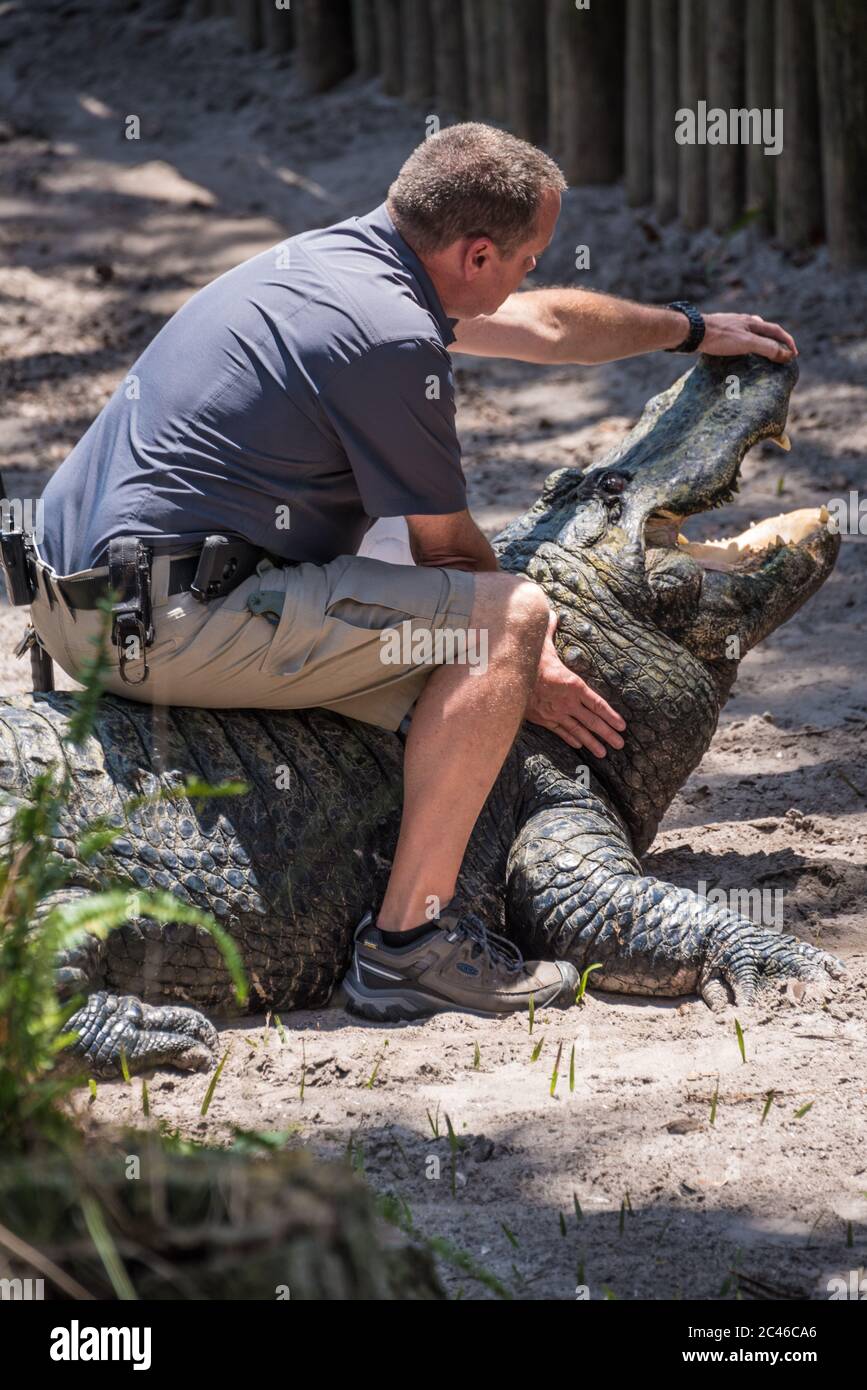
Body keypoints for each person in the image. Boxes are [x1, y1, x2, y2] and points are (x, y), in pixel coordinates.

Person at [30, 123, 798, 1022]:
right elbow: (450, 556)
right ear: (475, 253)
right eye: (527, 257)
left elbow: (545, 324)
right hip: (162, 628)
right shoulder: (392, 341)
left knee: (401, 592)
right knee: (504, 617)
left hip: (70, 602)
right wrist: (531, 669)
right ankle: (410, 946)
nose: (530, 275)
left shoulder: (331, 263)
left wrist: (690, 330)